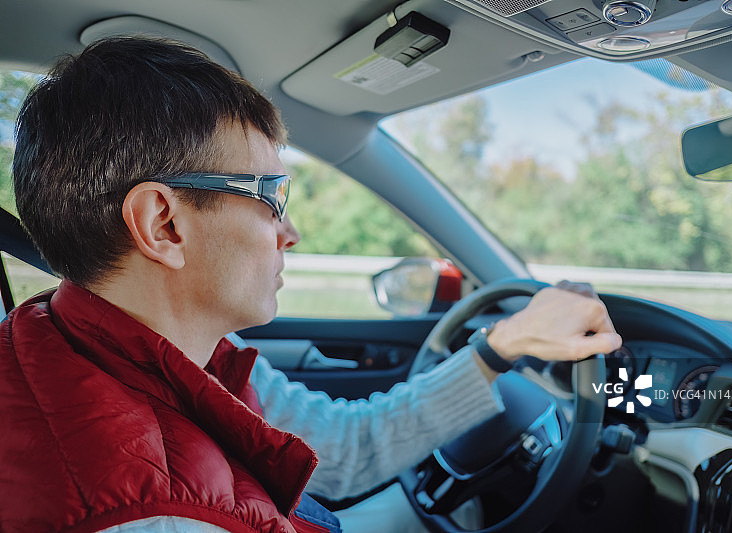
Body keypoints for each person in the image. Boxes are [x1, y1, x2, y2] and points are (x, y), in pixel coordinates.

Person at [0, 37, 622, 533]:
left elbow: (346, 450)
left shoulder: (124, 349)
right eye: (269, 195)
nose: (289, 231)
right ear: (163, 223)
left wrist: (499, 348)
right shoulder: (153, 514)